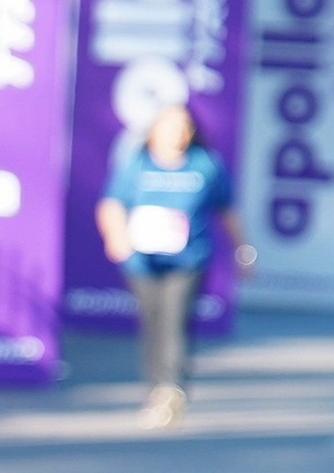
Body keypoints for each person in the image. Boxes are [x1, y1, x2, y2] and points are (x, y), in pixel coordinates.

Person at [97, 102, 254, 427]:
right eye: (169, 127)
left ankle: (173, 389)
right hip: (142, 261)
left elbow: (227, 211)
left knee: (175, 318)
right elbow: (112, 204)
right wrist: (116, 237)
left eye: (184, 128)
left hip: (188, 259)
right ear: (154, 132)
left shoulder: (205, 166)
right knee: (153, 321)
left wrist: (242, 250)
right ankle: (155, 388)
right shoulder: (137, 165)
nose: (177, 134)